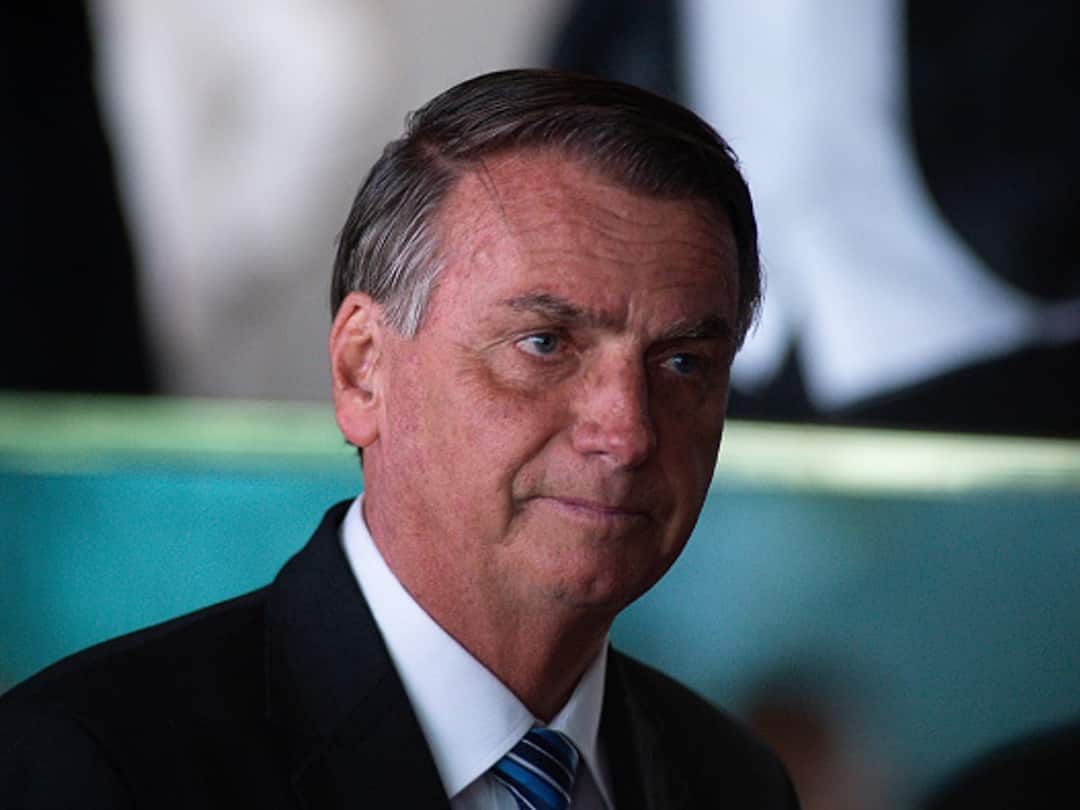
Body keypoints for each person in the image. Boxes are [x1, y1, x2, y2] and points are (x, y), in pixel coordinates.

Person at [0, 69, 799, 809]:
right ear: (363, 370)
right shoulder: (93, 767)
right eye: (544, 344)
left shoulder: (735, 783)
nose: (626, 432)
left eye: (685, 362)